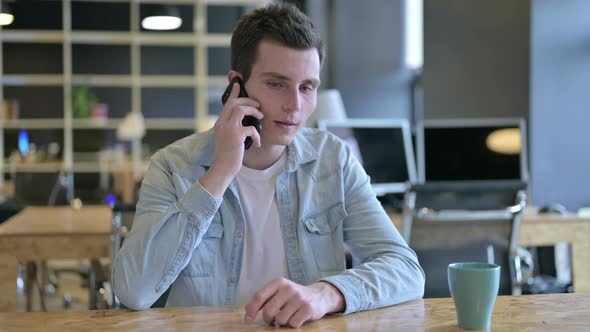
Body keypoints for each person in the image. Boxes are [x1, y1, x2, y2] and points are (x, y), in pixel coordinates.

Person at [112, 3, 424, 328]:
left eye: (307, 87)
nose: (295, 106)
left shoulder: (333, 159)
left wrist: (326, 293)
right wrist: (220, 172)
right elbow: (134, 291)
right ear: (237, 85)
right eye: (276, 84)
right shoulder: (172, 166)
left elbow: (405, 269)